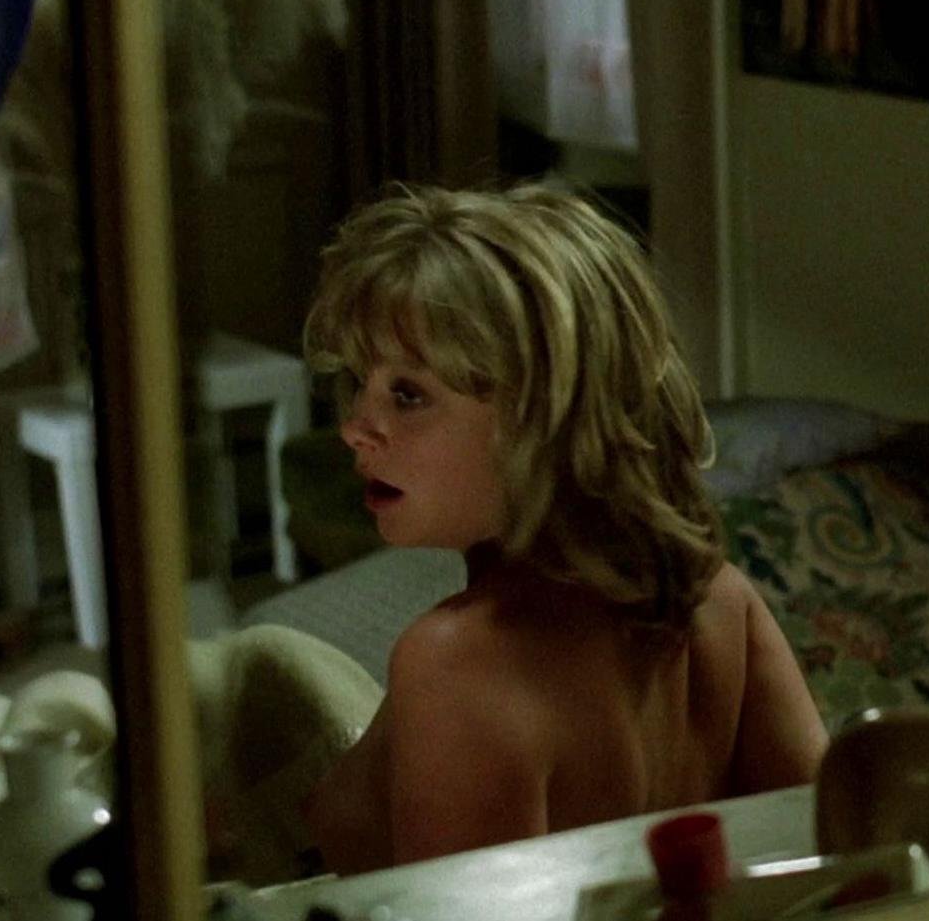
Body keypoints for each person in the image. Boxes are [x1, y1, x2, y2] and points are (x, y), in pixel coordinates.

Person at [298, 183, 828, 874]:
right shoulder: (721, 602)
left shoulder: (455, 662)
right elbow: (842, 862)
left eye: (408, 394)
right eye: (359, 383)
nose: (355, 428)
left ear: (546, 419)